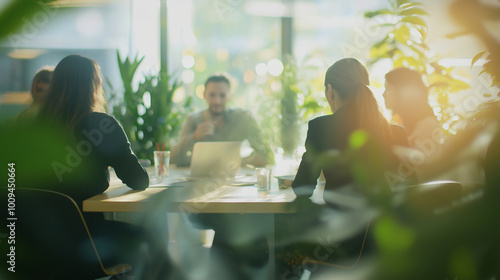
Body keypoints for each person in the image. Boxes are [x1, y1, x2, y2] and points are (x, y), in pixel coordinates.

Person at [5, 55, 176, 279]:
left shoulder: (29, 128)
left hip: (34, 243)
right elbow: (139, 181)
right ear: (93, 86)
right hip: (88, 241)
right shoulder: (101, 125)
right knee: (153, 237)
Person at [293, 58, 412, 201]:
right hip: (385, 221)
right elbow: (410, 186)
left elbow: (302, 188)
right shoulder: (397, 133)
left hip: (340, 221)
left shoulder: (320, 128)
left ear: (330, 91)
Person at [171, 74, 273, 167]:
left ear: (230, 96)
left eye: (222, 95)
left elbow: (266, 155)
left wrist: (237, 161)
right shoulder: (193, 119)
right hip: (200, 180)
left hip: (235, 179)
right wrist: (193, 137)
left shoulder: (244, 117)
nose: (217, 101)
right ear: (204, 95)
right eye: (212, 95)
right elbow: (173, 158)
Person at [384, 67, 443, 154]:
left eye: (388, 89)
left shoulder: (427, 126)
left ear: (401, 93)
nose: (384, 94)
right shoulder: (399, 121)